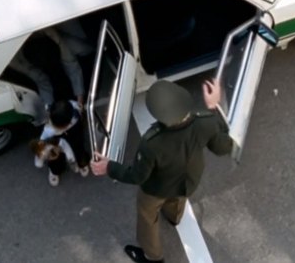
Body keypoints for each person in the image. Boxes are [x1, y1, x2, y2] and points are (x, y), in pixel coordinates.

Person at [90, 79, 233, 263]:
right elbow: (223, 147)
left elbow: (137, 175)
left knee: (147, 216)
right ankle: (174, 217)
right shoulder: (204, 121)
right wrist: (214, 108)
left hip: (158, 188)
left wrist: (109, 167)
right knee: (178, 198)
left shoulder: (151, 143)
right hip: (188, 180)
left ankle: (153, 257)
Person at [38, 99, 90, 186]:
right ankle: (55, 170)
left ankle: (82, 163)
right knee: (55, 156)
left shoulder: (74, 112)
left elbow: (79, 110)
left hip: (74, 131)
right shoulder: (49, 130)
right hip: (56, 140)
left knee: (78, 147)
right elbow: (42, 141)